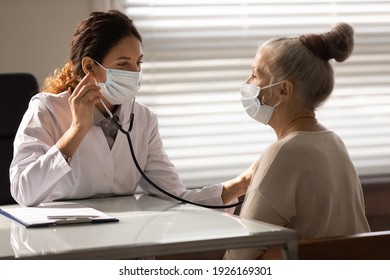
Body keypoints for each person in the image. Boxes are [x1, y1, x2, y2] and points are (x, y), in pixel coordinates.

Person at [9, 10, 255, 207]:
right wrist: (77, 130)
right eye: (123, 64)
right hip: (63, 247)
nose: (135, 73)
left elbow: (173, 196)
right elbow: (24, 191)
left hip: (128, 246)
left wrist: (241, 183)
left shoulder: (143, 118)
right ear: (90, 67)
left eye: (138, 63)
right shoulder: (46, 110)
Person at [224, 22, 370, 259]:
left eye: (255, 74)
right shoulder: (335, 143)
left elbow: (240, 258)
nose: (247, 83)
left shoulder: (283, 153)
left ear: (283, 91)